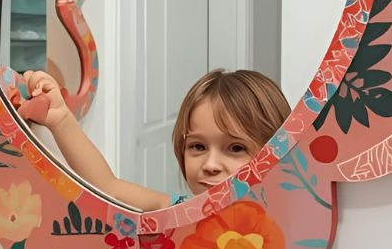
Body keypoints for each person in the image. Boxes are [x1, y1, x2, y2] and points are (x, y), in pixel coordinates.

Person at [23, 65, 291, 212]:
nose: (210, 164)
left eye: (235, 148)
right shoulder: (174, 210)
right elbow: (107, 186)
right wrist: (61, 119)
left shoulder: (287, 219)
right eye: (198, 146)